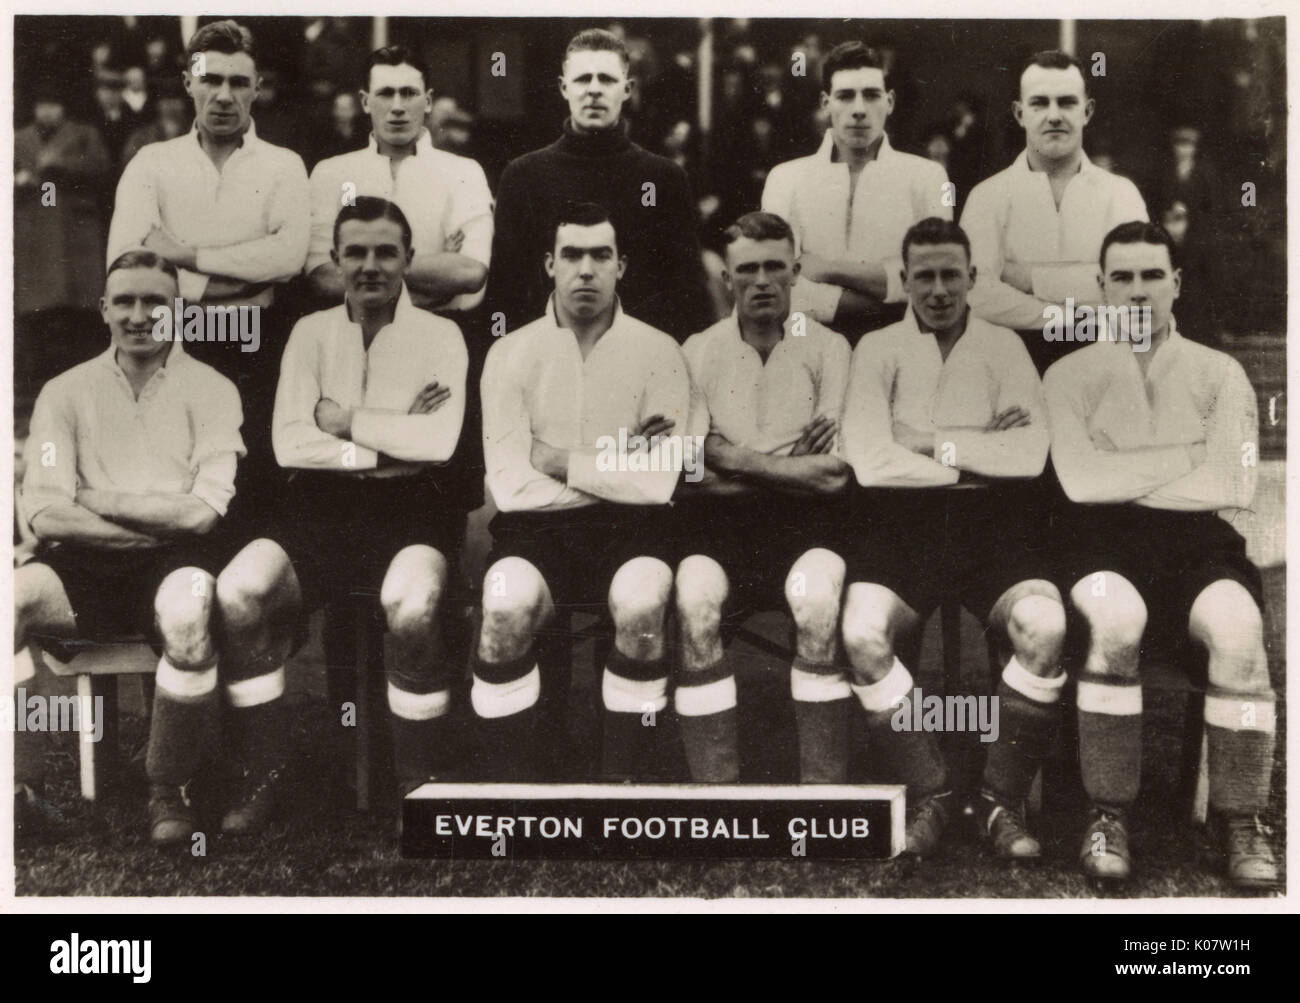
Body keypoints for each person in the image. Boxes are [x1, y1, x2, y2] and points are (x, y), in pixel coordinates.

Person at [1043, 221, 1277, 888]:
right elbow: (1082, 485)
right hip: (1098, 546)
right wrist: (1184, 458)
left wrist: (1125, 468)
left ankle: (1241, 819)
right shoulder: (1068, 373)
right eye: (1122, 277)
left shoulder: (1220, 371)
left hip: (1199, 545)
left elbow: (1231, 484)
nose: (1138, 291)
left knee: (1238, 632)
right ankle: (1107, 811)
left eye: (1152, 276)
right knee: (1115, 623)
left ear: (1175, 283)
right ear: (1101, 288)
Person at [840, 217, 1067, 859]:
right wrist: (975, 449)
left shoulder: (1004, 347)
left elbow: (1028, 456)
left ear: (972, 277)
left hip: (994, 525)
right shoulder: (877, 349)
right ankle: (933, 792)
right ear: (904, 281)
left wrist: (924, 438)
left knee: (1045, 629)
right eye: (924, 276)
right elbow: (869, 459)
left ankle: (998, 799)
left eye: (950, 275)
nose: (938, 290)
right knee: (861, 634)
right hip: (902, 526)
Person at [14, 250, 245, 845]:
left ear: (180, 312)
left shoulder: (214, 390)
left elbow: (200, 514)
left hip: (177, 563)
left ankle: (170, 786)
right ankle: (19, 791)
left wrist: (94, 496)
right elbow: (43, 508)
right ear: (103, 309)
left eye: (156, 302)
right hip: (82, 563)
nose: (140, 315)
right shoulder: (64, 393)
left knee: (189, 615)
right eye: (125, 301)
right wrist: (146, 524)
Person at [477, 202, 691, 782]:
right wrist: (619, 462)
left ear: (621, 266)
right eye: (572, 254)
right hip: (533, 533)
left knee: (644, 604)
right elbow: (513, 485)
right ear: (550, 264)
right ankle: (513, 789)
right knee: (501, 607)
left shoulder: (660, 350)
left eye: (601, 255)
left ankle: (621, 780)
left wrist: (557, 459)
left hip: (635, 534)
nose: (586, 269)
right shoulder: (509, 353)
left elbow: (661, 482)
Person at [106, 19, 310, 537]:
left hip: (258, 344)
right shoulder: (151, 164)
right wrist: (231, 285)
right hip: (177, 339)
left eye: (239, 82)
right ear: (187, 82)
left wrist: (183, 253)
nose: (224, 95)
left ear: (257, 89)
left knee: (254, 479)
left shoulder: (284, 167)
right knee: (175, 474)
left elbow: (287, 258)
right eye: (211, 79)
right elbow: (129, 264)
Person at [674, 212, 852, 784]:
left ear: (797, 271)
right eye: (746, 269)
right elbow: (690, 470)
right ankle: (716, 789)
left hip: (808, 527)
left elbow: (833, 477)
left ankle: (823, 791)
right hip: (718, 528)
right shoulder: (696, 351)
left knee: (818, 600)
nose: (762, 281)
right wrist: (784, 464)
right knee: (696, 601)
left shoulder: (830, 348)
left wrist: (732, 455)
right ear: (726, 277)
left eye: (776, 266)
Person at [487, 28, 711, 342]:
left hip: (640, 364)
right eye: (582, 79)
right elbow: (504, 294)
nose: (594, 90)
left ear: (628, 89)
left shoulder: (663, 178)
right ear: (564, 88)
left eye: (606, 79)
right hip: (547, 363)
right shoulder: (524, 177)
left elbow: (689, 297)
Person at [961, 49, 1148, 373]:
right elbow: (977, 295)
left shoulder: (1120, 194)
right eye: (1039, 103)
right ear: (1020, 113)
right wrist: (1077, 313)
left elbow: (1134, 291)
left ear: (1087, 111)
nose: (1054, 115)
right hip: (1010, 369)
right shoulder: (987, 197)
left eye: (1066, 102)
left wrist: (1029, 278)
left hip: (1104, 368)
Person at [761, 41, 951, 344]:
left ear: (889, 101)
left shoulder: (928, 177)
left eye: (871, 95)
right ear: (826, 104)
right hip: (806, 343)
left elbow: (936, 274)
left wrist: (825, 269)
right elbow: (776, 280)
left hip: (903, 345)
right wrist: (887, 299)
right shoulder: (785, 178)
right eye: (846, 96)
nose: (859, 110)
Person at [306, 46, 492, 316]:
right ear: (365, 101)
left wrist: (360, 266)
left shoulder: (463, 172)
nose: (397, 107)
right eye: (385, 93)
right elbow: (321, 277)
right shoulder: (333, 173)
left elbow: (470, 272)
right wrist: (436, 269)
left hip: (441, 330)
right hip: (354, 334)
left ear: (427, 101)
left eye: (408, 93)